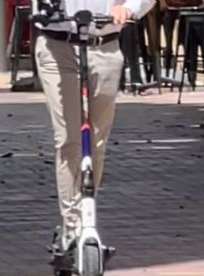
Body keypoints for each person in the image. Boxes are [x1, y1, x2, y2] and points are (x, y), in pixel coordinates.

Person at [34, 0, 156, 251]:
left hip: (105, 47)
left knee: (96, 142)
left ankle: (85, 217)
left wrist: (130, 8)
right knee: (70, 139)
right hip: (59, 48)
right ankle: (72, 226)